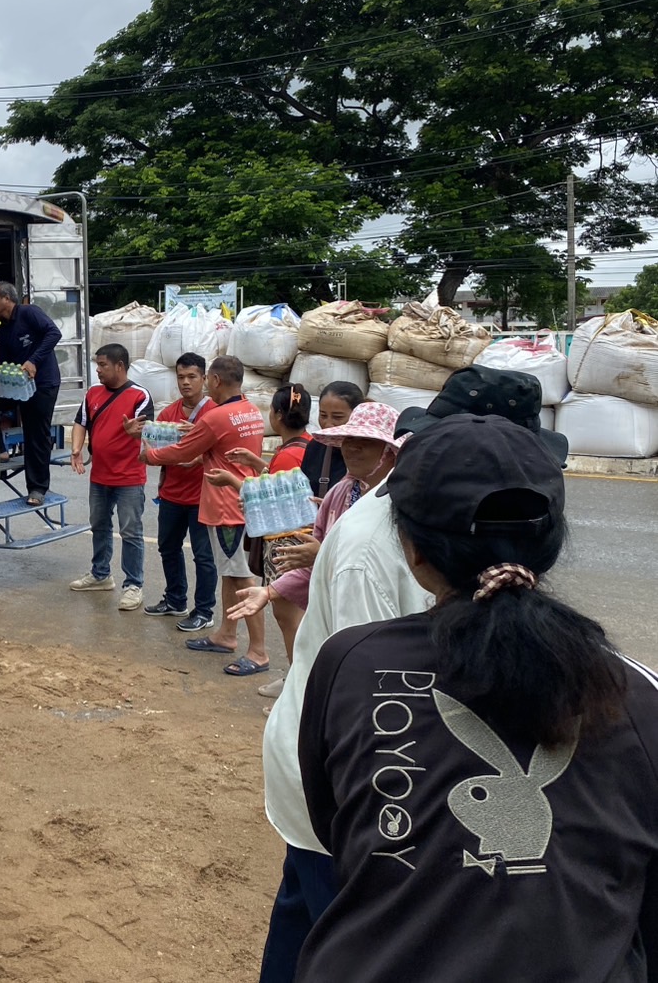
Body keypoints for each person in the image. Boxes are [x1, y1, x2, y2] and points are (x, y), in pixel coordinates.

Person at [295, 414, 656, 981]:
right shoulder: (635, 693)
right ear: (551, 543)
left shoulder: (350, 662)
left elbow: (336, 827)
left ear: (412, 549)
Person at [255, 365, 569, 983]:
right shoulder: (375, 549)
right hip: (350, 774)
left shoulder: (466, 538)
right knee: (355, 933)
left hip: (367, 759)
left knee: (305, 920)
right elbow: (372, 705)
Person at [225, 400, 402, 673]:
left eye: (366, 442)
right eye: (349, 440)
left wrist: (324, 555)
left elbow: (394, 567)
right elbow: (311, 563)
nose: (352, 448)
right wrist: (269, 591)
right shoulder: (340, 495)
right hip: (335, 614)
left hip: (379, 620)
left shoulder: (401, 503)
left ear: (389, 452)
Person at [128, 355, 267, 675]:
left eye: (199, 378)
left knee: (242, 578)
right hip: (241, 502)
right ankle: (226, 635)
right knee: (230, 574)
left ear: (213, 380)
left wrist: (149, 455)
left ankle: (258, 651)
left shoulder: (216, 417)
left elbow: (184, 451)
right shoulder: (250, 411)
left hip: (226, 507)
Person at [205, 382, 314, 695]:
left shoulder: (288, 454)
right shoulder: (305, 446)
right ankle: (296, 679)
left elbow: (271, 499)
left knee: (287, 616)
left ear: (277, 416)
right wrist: (256, 464)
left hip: (285, 544)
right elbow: (284, 483)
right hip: (301, 541)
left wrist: (232, 480)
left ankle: (297, 685)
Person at [68, 344, 154, 610]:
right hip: (100, 476)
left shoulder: (140, 396)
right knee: (99, 525)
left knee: (130, 532)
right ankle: (101, 574)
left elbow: (147, 433)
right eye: (98, 364)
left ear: (120, 366)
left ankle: (133, 585)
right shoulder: (93, 393)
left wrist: (133, 432)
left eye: (103, 365)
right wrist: (76, 449)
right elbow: (81, 422)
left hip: (129, 478)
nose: (98, 370)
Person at [143, 353, 217, 620]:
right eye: (181, 377)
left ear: (204, 378)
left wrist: (196, 457)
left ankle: (204, 612)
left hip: (202, 497)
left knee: (203, 557)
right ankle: (175, 600)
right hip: (171, 495)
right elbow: (153, 452)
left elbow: (224, 452)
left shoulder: (214, 413)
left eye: (192, 377)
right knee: (168, 548)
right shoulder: (168, 414)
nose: (186, 382)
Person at [0, 281, 62, 507]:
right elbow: (5, 361)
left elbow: (54, 333)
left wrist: (33, 361)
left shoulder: (29, 313)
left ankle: (37, 488)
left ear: (6, 298)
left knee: (35, 434)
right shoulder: (3, 330)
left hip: (43, 384)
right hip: (20, 386)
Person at [300, 381, 363, 501]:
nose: (328, 424)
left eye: (337, 417)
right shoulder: (315, 447)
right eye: (323, 415)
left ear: (357, 415)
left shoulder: (371, 451)